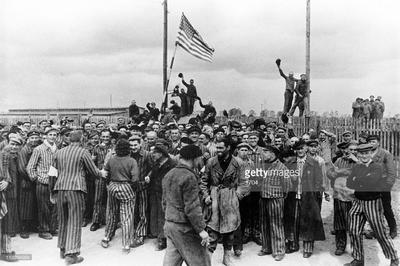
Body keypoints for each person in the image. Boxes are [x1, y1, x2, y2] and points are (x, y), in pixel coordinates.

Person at [51, 130, 101, 265]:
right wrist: (101, 173)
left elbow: (52, 173)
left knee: (63, 219)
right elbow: (93, 171)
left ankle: (62, 249)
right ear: (82, 139)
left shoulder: (58, 152)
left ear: (69, 139)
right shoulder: (83, 152)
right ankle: (71, 255)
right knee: (74, 220)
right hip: (76, 189)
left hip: (60, 188)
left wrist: (52, 190)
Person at [345, 143, 398, 266]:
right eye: (361, 153)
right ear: (358, 154)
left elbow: (371, 181)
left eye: (366, 153)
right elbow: (349, 183)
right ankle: (358, 259)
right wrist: (362, 180)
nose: (364, 156)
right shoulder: (357, 167)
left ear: (371, 154)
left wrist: (358, 180)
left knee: (380, 231)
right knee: (353, 230)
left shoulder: (377, 167)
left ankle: (394, 258)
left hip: (372, 202)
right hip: (357, 202)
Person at [200, 137, 249, 266]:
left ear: (228, 148)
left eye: (221, 148)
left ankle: (226, 257)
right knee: (212, 230)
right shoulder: (211, 162)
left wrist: (237, 195)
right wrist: (206, 196)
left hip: (230, 199)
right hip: (214, 198)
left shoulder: (238, 162)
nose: (218, 150)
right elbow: (204, 181)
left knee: (230, 230)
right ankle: (207, 260)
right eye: (217, 147)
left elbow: (244, 182)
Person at [162, 144, 211, 266]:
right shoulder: (189, 177)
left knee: (171, 261)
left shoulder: (169, 174)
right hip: (185, 227)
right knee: (200, 261)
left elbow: (164, 202)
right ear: (194, 158)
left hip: (170, 224)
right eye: (199, 158)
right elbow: (192, 207)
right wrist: (201, 230)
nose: (200, 160)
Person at [284, 139, 325, 258]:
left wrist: (316, 195)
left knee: (308, 220)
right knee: (293, 220)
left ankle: (308, 247)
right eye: (298, 149)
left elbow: (318, 180)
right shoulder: (290, 162)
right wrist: (291, 178)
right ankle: (293, 244)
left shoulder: (313, 162)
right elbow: (284, 178)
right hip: (294, 195)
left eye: (302, 148)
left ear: (306, 149)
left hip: (308, 196)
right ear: (295, 150)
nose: (300, 151)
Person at [101, 139, 138, 253]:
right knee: (126, 216)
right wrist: (133, 188)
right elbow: (135, 178)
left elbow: (105, 173)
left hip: (112, 186)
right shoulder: (131, 161)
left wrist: (109, 184)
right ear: (128, 149)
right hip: (125, 186)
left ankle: (106, 237)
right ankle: (126, 245)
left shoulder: (111, 160)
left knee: (112, 213)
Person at [258, 145, 291, 261]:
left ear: (273, 154)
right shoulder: (263, 165)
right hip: (263, 198)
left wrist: (279, 196)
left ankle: (279, 250)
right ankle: (266, 248)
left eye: (266, 152)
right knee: (264, 223)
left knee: (276, 224)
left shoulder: (282, 168)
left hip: (275, 199)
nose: (263, 154)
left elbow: (287, 187)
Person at [27, 127, 59, 240]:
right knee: (43, 207)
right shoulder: (39, 149)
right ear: (45, 136)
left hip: (55, 182)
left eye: (54, 135)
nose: (52, 137)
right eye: (50, 135)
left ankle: (53, 228)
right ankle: (43, 230)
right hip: (42, 182)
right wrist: (37, 179)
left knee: (54, 206)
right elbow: (30, 167)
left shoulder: (58, 149)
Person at [326, 141, 358, 256]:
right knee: (339, 223)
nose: (353, 152)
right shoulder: (339, 160)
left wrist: (340, 172)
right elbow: (330, 174)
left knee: (354, 224)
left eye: (355, 150)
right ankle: (340, 245)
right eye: (351, 149)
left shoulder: (360, 162)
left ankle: (356, 248)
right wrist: (341, 172)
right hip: (339, 195)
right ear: (346, 150)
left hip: (353, 197)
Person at [148, 140, 177, 250]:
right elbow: (153, 174)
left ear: (161, 153)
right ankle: (157, 234)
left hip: (167, 194)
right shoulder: (157, 163)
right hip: (156, 192)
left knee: (163, 216)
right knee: (156, 214)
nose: (153, 155)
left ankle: (163, 239)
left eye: (155, 153)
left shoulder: (172, 164)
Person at [367, 135, 397, 239]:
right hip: (370, 184)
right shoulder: (366, 153)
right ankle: (376, 230)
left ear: (378, 143)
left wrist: (388, 184)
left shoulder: (385, 153)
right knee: (373, 208)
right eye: (370, 141)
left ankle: (393, 228)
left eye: (373, 141)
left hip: (382, 183)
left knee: (386, 207)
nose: (371, 143)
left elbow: (391, 171)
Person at [0, 137, 22, 262]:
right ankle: (5, 252)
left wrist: (8, 181)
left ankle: (5, 250)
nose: (13, 147)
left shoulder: (12, 157)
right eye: (12, 144)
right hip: (3, 194)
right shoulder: (3, 156)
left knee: (8, 224)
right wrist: (6, 181)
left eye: (16, 145)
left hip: (11, 194)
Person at [128, 135, 153, 248]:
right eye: (131, 145)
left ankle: (141, 234)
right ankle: (134, 231)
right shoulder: (128, 155)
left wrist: (149, 176)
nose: (133, 147)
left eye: (135, 145)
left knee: (143, 210)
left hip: (143, 186)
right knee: (133, 210)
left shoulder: (147, 154)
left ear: (140, 144)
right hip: (131, 186)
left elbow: (153, 168)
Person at [18, 129, 41, 238]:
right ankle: (24, 228)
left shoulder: (38, 149)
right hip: (26, 182)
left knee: (34, 205)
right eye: (32, 138)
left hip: (36, 180)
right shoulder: (24, 150)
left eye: (36, 137)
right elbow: (22, 168)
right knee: (25, 205)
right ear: (28, 139)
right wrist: (33, 178)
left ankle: (33, 225)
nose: (34, 140)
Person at [90, 129, 112, 232]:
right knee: (98, 198)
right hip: (99, 175)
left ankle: (111, 221)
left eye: (107, 136)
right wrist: (98, 172)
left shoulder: (114, 147)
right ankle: (96, 221)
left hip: (111, 176)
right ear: (100, 137)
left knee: (111, 199)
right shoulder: (96, 148)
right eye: (103, 136)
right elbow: (92, 162)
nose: (105, 138)